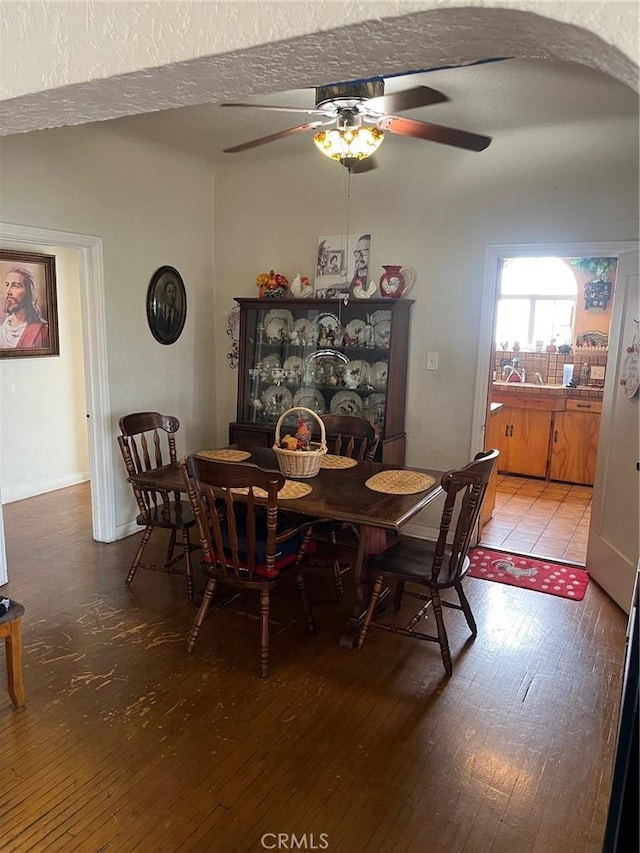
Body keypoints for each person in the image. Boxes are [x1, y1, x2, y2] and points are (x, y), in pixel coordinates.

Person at [0, 266, 50, 349]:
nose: (8, 292)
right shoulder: (2, 331)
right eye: (7, 285)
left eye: (15, 286)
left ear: (28, 293)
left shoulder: (43, 332)